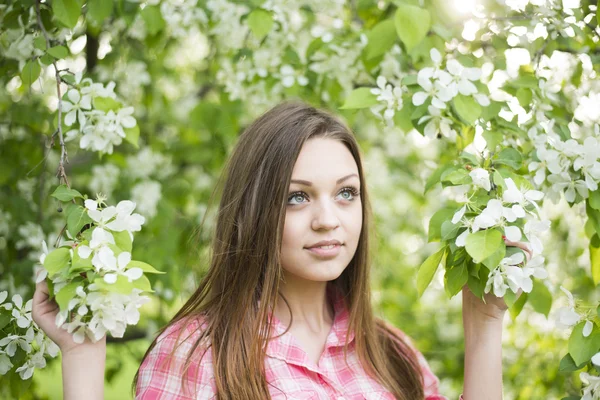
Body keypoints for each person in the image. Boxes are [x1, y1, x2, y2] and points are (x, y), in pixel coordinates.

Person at [33, 101, 530, 399]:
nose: (327, 219)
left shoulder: (392, 354)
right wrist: (81, 354)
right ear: (254, 211)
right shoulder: (197, 354)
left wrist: (484, 327)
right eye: (297, 196)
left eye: (346, 193)